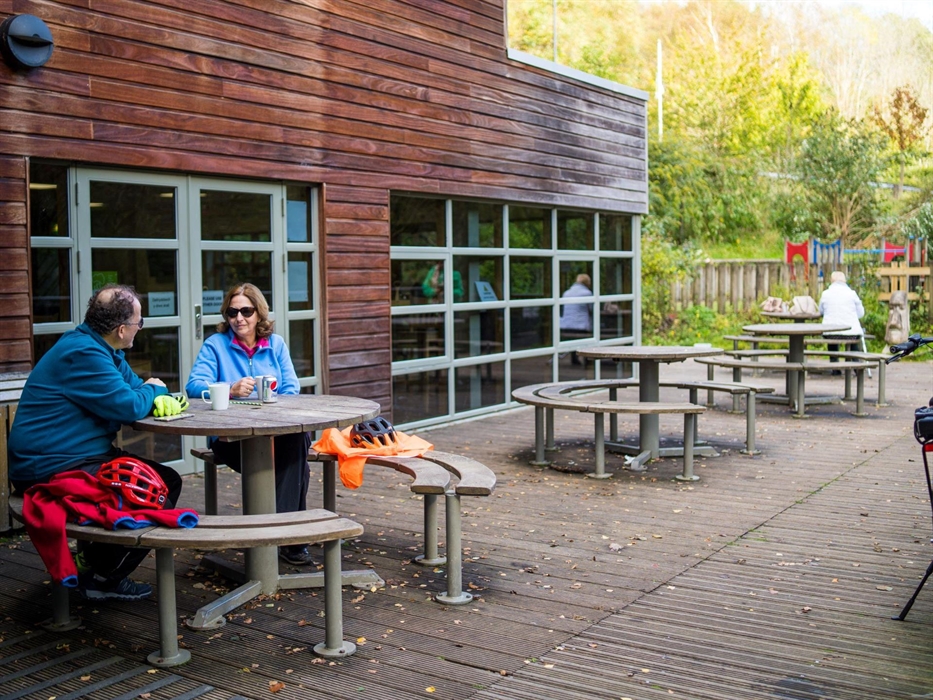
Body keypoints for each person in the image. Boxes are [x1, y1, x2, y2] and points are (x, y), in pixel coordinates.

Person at [8, 284, 182, 601]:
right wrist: (155, 390)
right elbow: (130, 405)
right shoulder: (84, 354)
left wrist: (148, 391)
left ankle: (93, 565)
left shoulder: (103, 349)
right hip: (48, 466)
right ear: (121, 329)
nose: (140, 328)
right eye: (139, 322)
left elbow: (134, 390)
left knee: (167, 479)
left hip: (76, 456)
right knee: (154, 493)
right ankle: (102, 577)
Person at [185, 283, 313, 565]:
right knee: (297, 459)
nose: (239, 318)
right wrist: (230, 389)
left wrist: (274, 403)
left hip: (276, 435)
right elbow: (194, 386)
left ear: (259, 313)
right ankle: (289, 540)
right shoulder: (215, 345)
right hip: (231, 439)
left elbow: (291, 389)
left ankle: (276, 536)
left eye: (246, 311)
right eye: (232, 312)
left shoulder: (276, 344)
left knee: (296, 441)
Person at [819, 270, 865, 375]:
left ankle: (835, 366)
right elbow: (861, 313)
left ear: (832, 281)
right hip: (851, 332)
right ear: (845, 281)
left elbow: (821, 311)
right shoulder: (852, 294)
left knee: (832, 340)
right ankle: (855, 364)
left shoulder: (825, 294)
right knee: (853, 340)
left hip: (830, 333)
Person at [559, 273, 594, 365]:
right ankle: (587, 360)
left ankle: (574, 359)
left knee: (573, 336)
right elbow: (592, 309)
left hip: (565, 326)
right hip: (581, 327)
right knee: (589, 334)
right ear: (587, 283)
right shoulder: (587, 293)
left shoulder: (566, 293)